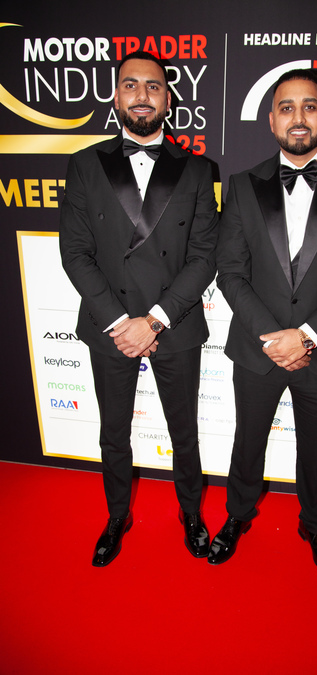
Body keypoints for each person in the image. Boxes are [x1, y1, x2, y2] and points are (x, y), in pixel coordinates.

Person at [209, 69, 317, 577]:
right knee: (248, 442)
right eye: (287, 107)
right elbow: (230, 271)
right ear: (271, 120)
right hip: (257, 348)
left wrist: (306, 336)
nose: (298, 117)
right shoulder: (242, 186)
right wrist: (274, 339)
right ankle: (237, 516)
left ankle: (316, 527)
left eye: (310, 106)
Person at [60, 51, 218, 567]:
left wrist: (153, 320)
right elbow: (75, 252)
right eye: (131, 85)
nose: (142, 95)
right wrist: (119, 321)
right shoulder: (85, 163)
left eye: (152, 86)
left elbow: (204, 256)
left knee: (184, 431)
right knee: (113, 432)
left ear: (167, 99)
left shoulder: (197, 169)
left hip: (174, 322)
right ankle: (116, 516)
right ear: (116, 96)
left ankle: (191, 513)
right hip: (109, 323)